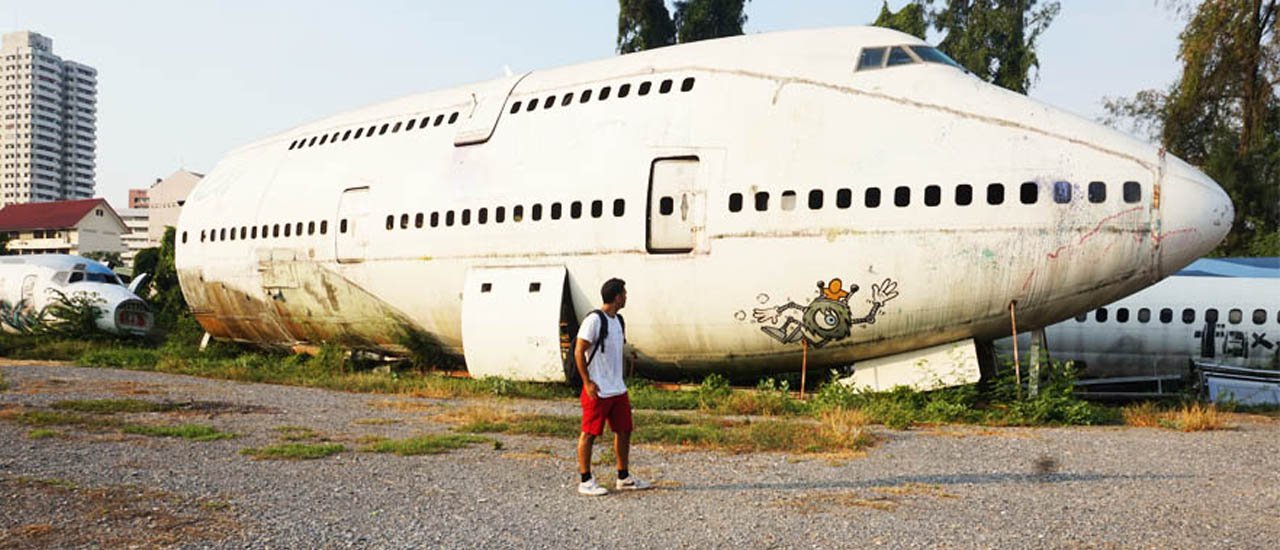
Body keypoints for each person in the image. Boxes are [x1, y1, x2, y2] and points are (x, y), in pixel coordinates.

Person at [575, 278, 651, 496]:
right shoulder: (594, 320)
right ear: (617, 296)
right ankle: (586, 480)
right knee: (589, 433)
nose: (626, 297)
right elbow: (579, 351)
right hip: (598, 389)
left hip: (617, 388)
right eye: (624, 293)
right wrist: (587, 382)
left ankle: (623, 477)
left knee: (624, 431)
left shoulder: (618, 320)